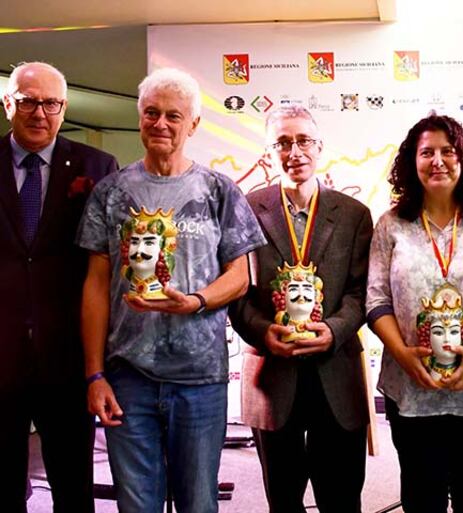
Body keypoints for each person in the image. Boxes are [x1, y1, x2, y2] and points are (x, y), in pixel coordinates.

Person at [77, 67, 265, 513]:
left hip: (200, 378)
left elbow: (240, 276)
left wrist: (196, 301)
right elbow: (96, 285)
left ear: (194, 124)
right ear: (140, 118)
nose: (160, 124)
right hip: (128, 376)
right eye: (151, 113)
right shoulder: (111, 191)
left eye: (174, 116)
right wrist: (95, 374)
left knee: (198, 502)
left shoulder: (218, 190)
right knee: (136, 504)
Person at [367, 113, 463, 513]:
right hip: (411, 384)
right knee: (421, 497)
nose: (437, 161)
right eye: (426, 152)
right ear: (411, 162)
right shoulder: (391, 226)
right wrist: (402, 353)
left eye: (447, 151)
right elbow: (375, 299)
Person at [229, 105, 373, 513]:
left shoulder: (353, 214)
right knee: (283, 499)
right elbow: (236, 290)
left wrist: (335, 328)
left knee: (342, 498)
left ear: (320, 147)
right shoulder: (243, 208)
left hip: (336, 371)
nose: (295, 151)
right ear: (269, 152)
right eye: (283, 142)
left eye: (304, 140)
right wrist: (262, 331)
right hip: (271, 374)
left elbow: (363, 291)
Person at [0, 61, 117, 513]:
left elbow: (107, 261)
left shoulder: (96, 166)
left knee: (73, 485)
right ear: (8, 103)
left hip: (68, 356)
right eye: (29, 101)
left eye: (51, 103)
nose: (39, 113)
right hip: (1, 355)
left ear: (64, 109)